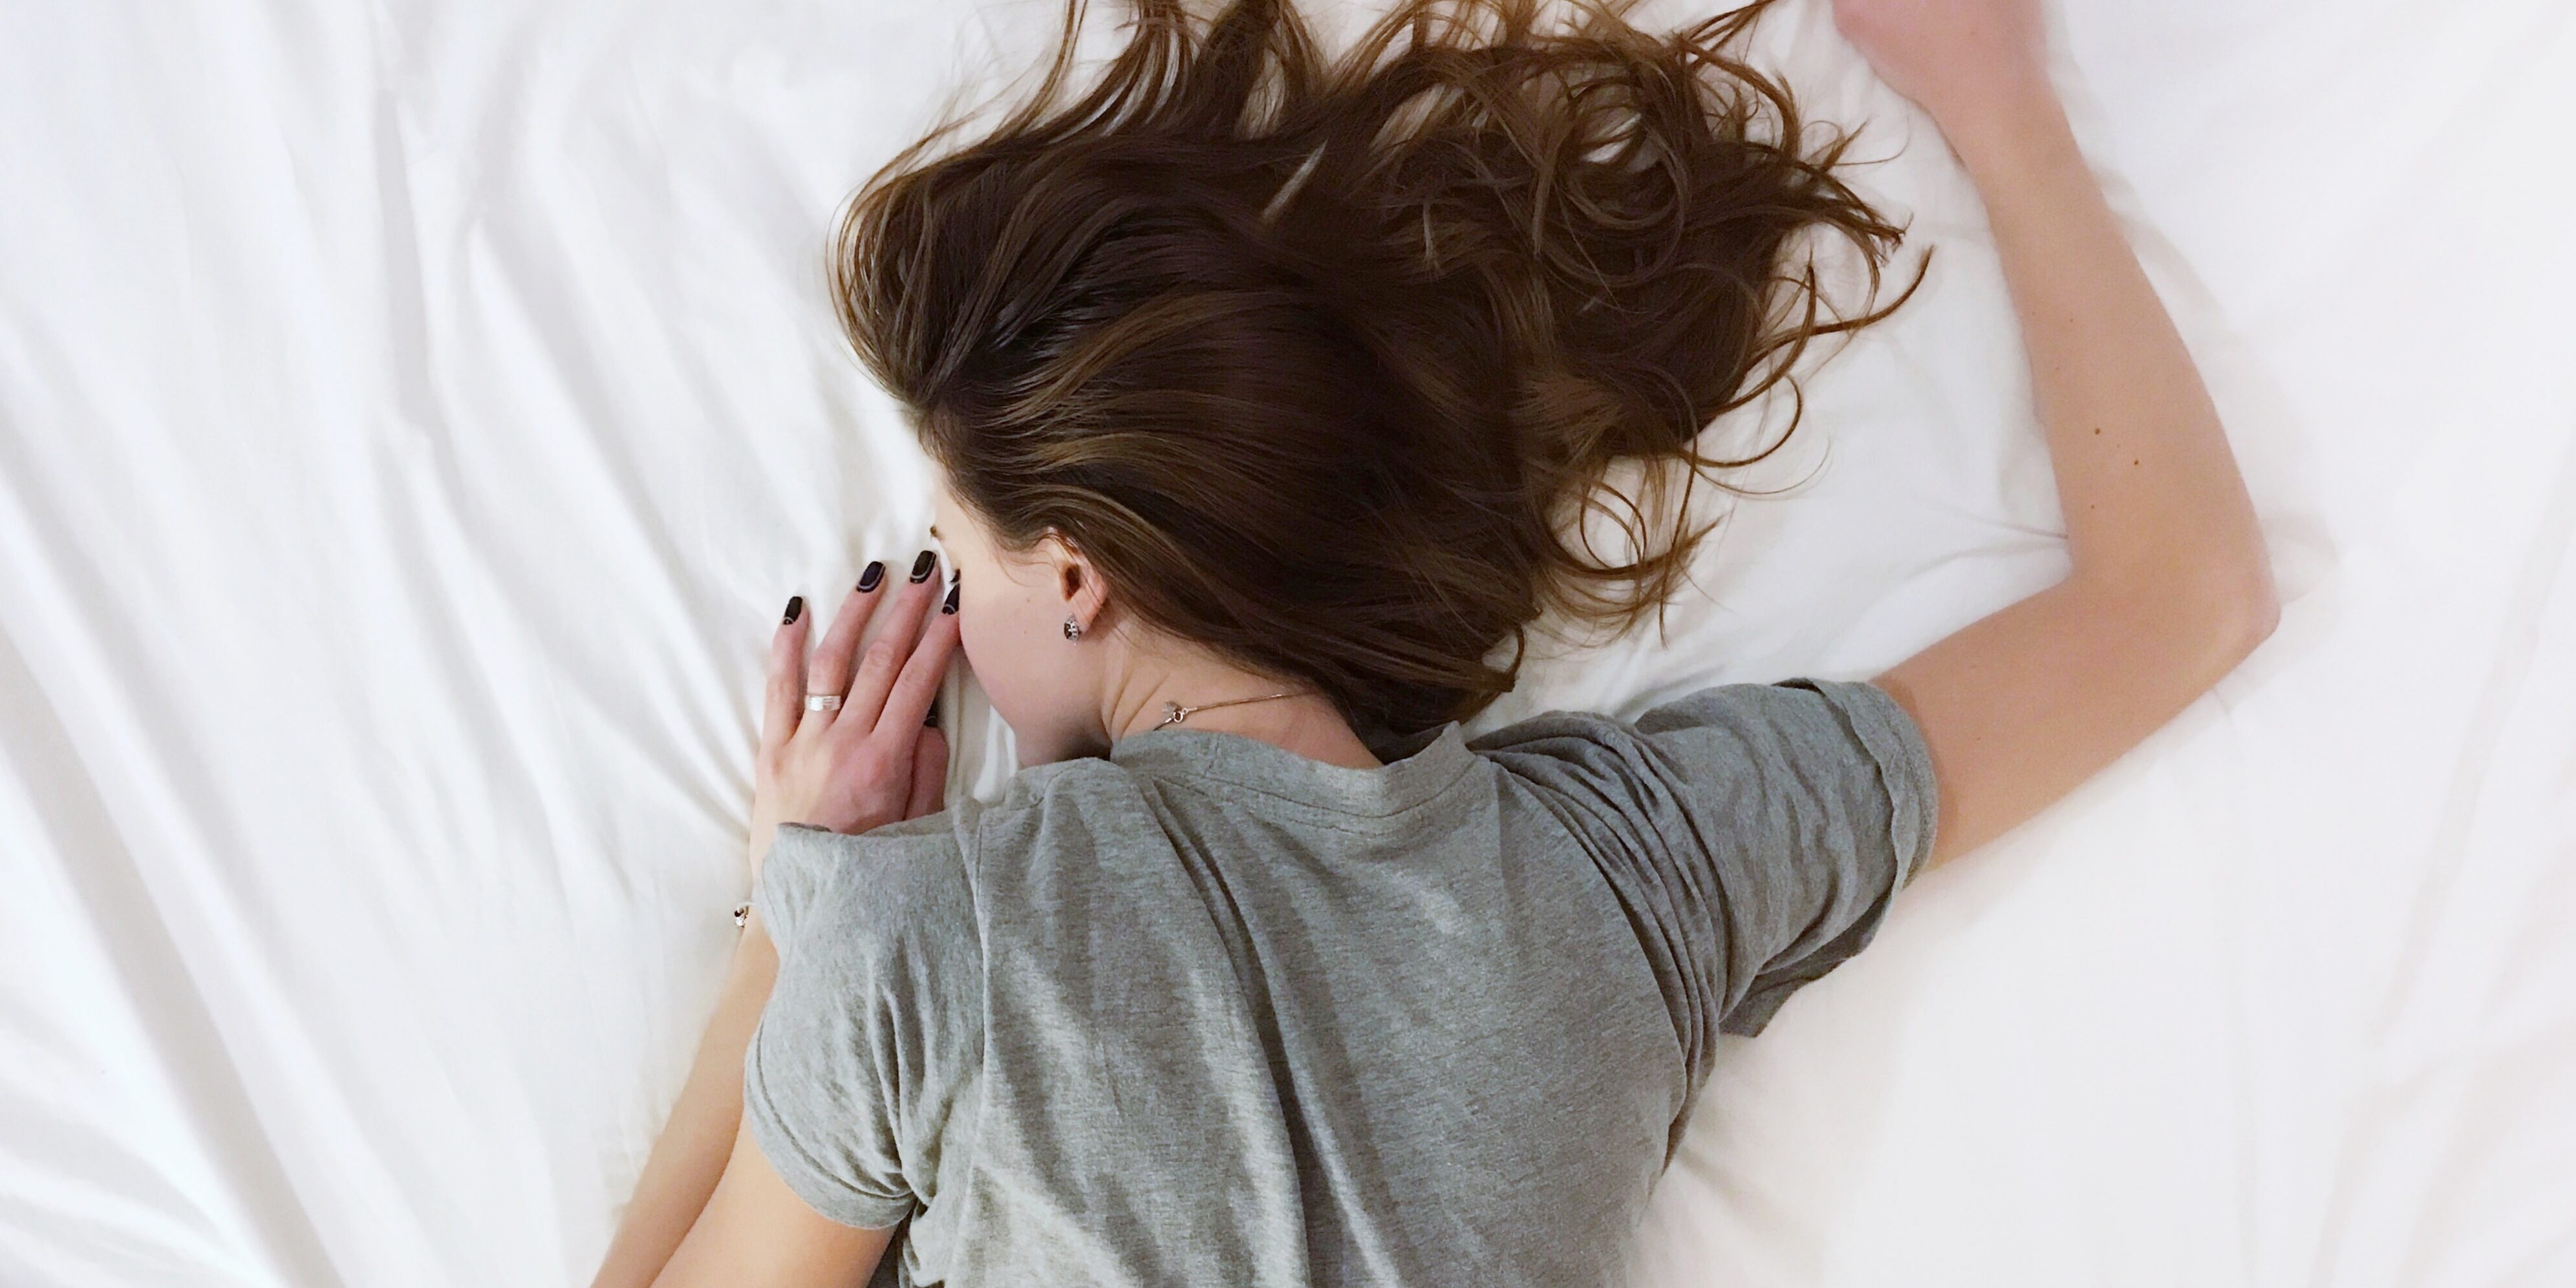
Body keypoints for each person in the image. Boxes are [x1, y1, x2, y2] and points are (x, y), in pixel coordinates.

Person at [595, 0, 2277, 1282]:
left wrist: (791, 905)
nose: (953, 624)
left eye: (963, 567)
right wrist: (1999, 107)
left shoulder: (924, 944)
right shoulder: (1641, 871)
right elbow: (2183, 598)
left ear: (1084, 576)